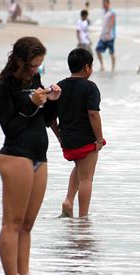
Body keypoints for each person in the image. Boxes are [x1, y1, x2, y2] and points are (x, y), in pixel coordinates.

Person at [0, 37, 62, 275]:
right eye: (32, 65)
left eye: (39, 66)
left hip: (38, 157)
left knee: (27, 225)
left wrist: (52, 102)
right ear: (20, 61)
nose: (35, 70)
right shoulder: (4, 85)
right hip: (15, 156)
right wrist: (31, 104)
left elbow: (42, 120)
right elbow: (11, 128)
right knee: (12, 223)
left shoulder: (34, 80)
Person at [52, 48, 105, 218]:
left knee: (79, 168)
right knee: (86, 178)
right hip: (86, 139)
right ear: (87, 67)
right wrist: (99, 139)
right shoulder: (90, 87)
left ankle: (68, 200)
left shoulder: (59, 86)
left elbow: (50, 118)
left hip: (68, 139)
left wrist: (59, 136)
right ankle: (83, 219)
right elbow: (93, 114)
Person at [96, 0, 116, 72]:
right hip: (103, 36)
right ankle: (102, 65)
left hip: (110, 36)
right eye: (103, 4)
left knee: (111, 52)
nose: (103, 5)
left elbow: (112, 23)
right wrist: (102, 34)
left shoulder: (112, 13)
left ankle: (113, 68)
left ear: (108, 4)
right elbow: (104, 25)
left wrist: (108, 32)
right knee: (97, 50)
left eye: (105, 4)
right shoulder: (104, 13)